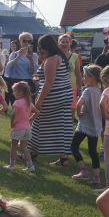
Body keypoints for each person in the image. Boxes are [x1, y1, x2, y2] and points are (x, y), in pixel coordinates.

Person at [29, 34, 73, 166]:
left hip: (54, 97)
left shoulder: (52, 59)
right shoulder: (60, 56)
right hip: (64, 95)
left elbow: (49, 82)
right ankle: (63, 157)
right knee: (62, 126)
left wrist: (39, 101)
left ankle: (32, 152)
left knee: (38, 122)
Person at [71, 65, 103, 187]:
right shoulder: (100, 90)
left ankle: (83, 170)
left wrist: (79, 114)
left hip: (84, 125)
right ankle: (96, 177)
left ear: (93, 78)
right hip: (95, 125)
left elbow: (79, 104)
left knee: (74, 146)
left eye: (85, 77)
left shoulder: (88, 91)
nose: (83, 79)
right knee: (92, 151)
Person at [6, 81, 37, 172]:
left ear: (21, 92)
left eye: (15, 91)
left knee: (13, 146)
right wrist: (30, 119)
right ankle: (30, 166)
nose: (13, 93)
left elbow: (13, 115)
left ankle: (12, 165)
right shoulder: (29, 102)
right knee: (24, 147)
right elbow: (37, 112)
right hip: (27, 128)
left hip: (18, 128)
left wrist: (12, 124)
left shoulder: (17, 102)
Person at [5, 33, 38, 106]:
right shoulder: (14, 54)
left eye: (29, 41)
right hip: (15, 82)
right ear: (20, 42)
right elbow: (8, 67)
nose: (27, 43)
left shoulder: (34, 55)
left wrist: (30, 59)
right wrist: (18, 56)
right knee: (16, 105)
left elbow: (33, 72)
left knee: (28, 105)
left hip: (28, 82)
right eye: (24, 41)